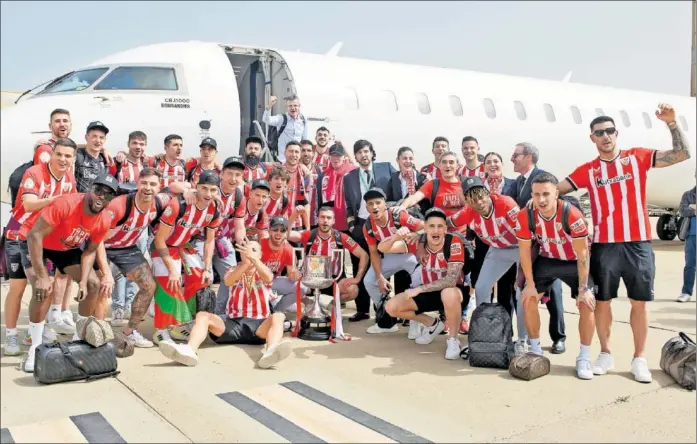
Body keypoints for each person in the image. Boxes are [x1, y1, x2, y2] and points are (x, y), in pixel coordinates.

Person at [556, 104, 691, 383]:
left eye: (610, 131)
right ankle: (605, 353)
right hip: (605, 245)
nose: (605, 136)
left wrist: (672, 123)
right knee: (603, 303)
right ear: (592, 138)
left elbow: (682, 154)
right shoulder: (588, 171)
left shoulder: (636, 158)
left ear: (616, 133)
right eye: (599, 133)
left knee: (638, 303)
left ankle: (639, 358)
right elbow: (554, 190)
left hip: (638, 243)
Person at [23, 174, 118, 372]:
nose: (102, 197)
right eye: (99, 190)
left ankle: (78, 340)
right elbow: (35, 235)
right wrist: (41, 276)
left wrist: (82, 280)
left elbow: (90, 251)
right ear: (91, 189)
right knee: (43, 290)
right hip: (38, 243)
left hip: (65, 249)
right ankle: (35, 348)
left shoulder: (104, 220)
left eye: (108, 195)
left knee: (93, 284)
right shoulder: (67, 204)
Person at [158, 239, 292, 369]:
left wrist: (255, 260)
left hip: (259, 326)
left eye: (253, 250)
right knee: (203, 315)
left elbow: (268, 278)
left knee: (278, 316)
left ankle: (271, 351)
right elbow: (228, 281)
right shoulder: (233, 269)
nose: (249, 253)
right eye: (245, 250)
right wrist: (245, 263)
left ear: (260, 254)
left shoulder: (264, 270)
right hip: (233, 324)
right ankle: (190, 350)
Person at [515, 173, 595, 379]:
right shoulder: (526, 215)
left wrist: (583, 289)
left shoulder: (572, 215)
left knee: (587, 303)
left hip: (573, 262)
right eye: (536, 194)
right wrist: (530, 284)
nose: (541, 200)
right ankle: (535, 350)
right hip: (548, 259)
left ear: (557, 194)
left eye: (546, 194)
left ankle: (584, 357)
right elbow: (524, 252)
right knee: (528, 298)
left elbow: (583, 255)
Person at [3, 138, 78, 355]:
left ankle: (35, 332)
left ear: (73, 159)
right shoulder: (34, 173)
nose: (63, 159)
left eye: (68, 156)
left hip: (42, 238)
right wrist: (57, 199)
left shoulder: (69, 179)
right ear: (52, 154)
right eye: (60, 154)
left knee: (45, 285)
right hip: (17, 233)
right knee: (18, 288)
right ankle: (11, 336)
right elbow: (28, 204)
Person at [449, 176, 528, 353]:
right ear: (467, 201)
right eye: (472, 199)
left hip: (521, 247)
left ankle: (522, 340)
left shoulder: (506, 204)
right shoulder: (468, 212)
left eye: (481, 196)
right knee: (482, 287)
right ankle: (482, 335)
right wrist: (422, 234)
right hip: (498, 250)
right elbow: (444, 223)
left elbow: (525, 236)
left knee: (521, 292)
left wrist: (522, 272)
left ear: (488, 193)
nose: (479, 202)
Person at [380, 207, 469, 360]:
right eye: (431, 226)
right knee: (391, 307)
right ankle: (432, 323)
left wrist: (419, 289)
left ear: (445, 228)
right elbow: (382, 247)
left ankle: (453, 340)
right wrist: (396, 237)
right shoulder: (418, 242)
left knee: (448, 292)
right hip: (427, 293)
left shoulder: (453, 242)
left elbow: (450, 280)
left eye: (440, 226)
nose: (436, 230)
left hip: (454, 292)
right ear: (425, 228)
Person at [151, 170, 222, 345]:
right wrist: (171, 270)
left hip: (183, 245)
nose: (208, 194)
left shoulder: (215, 209)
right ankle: (160, 330)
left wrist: (207, 267)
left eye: (213, 190)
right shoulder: (179, 204)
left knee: (202, 279)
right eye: (204, 188)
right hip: (163, 246)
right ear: (196, 186)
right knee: (170, 281)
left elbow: (209, 241)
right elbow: (160, 239)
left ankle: (181, 322)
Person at [102, 167, 168, 348]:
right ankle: (94, 333)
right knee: (99, 289)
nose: (148, 187)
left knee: (149, 286)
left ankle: (130, 332)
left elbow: (177, 191)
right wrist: (106, 272)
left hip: (125, 248)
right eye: (144, 183)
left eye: (153, 184)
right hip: (101, 246)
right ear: (137, 184)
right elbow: (97, 239)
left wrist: (190, 191)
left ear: (159, 187)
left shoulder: (160, 203)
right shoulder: (119, 206)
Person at [511, 142, 566, 354]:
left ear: (529, 157)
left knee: (555, 293)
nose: (512, 159)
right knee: (528, 290)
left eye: (516, 155)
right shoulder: (519, 182)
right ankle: (528, 337)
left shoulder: (544, 177)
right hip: (530, 245)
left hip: (549, 244)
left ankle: (558, 337)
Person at [343, 140, 397, 322]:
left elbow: (396, 195)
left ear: (372, 153)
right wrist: (352, 227)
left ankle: (391, 309)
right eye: (359, 152)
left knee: (388, 266)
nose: (363, 155)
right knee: (362, 266)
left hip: (384, 226)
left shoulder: (387, 168)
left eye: (366, 151)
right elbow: (349, 206)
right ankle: (363, 310)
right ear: (355, 156)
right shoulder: (349, 177)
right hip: (361, 227)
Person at [361, 188, 422, 334]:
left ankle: (416, 321)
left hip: (410, 255)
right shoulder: (367, 226)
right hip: (389, 256)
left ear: (385, 204)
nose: (375, 207)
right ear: (366, 207)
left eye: (378, 202)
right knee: (370, 281)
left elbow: (425, 227)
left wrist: (412, 234)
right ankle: (387, 320)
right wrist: (380, 278)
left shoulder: (398, 215)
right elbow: (374, 252)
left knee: (418, 284)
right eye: (370, 204)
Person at [263, 95, 308, 163]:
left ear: (299, 106)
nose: (293, 108)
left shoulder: (303, 119)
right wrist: (269, 106)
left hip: (297, 160)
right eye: (290, 106)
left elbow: (304, 139)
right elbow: (266, 120)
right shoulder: (281, 118)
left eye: (295, 105)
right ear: (286, 107)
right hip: (282, 160)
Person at [385, 147, 429, 215]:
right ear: (398, 160)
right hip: (399, 217)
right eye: (404, 158)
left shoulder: (423, 178)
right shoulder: (394, 178)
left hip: (419, 218)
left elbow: (428, 202)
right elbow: (389, 199)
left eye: (410, 158)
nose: (408, 161)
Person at [678, 182, 696, 303]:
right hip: (691, 235)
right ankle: (686, 292)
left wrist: (693, 207)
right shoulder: (688, 195)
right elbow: (683, 211)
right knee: (690, 265)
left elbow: (687, 209)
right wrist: (693, 210)